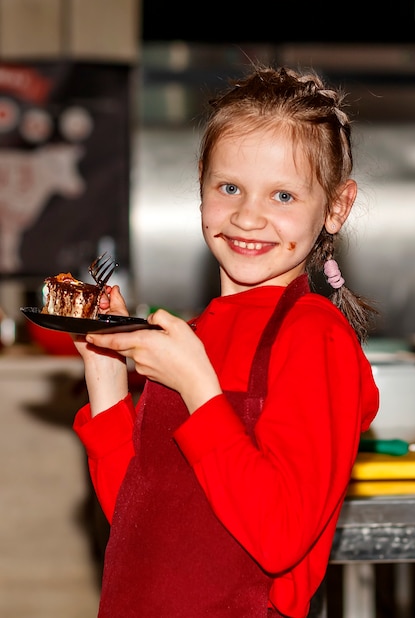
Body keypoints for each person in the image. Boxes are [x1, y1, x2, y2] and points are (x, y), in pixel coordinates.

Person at [73, 65, 379, 618]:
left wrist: (198, 388)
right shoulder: (191, 336)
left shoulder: (315, 338)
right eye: (230, 186)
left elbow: (279, 536)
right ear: (201, 184)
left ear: (336, 206)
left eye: (283, 194)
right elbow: (138, 519)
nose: (247, 215)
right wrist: (105, 375)